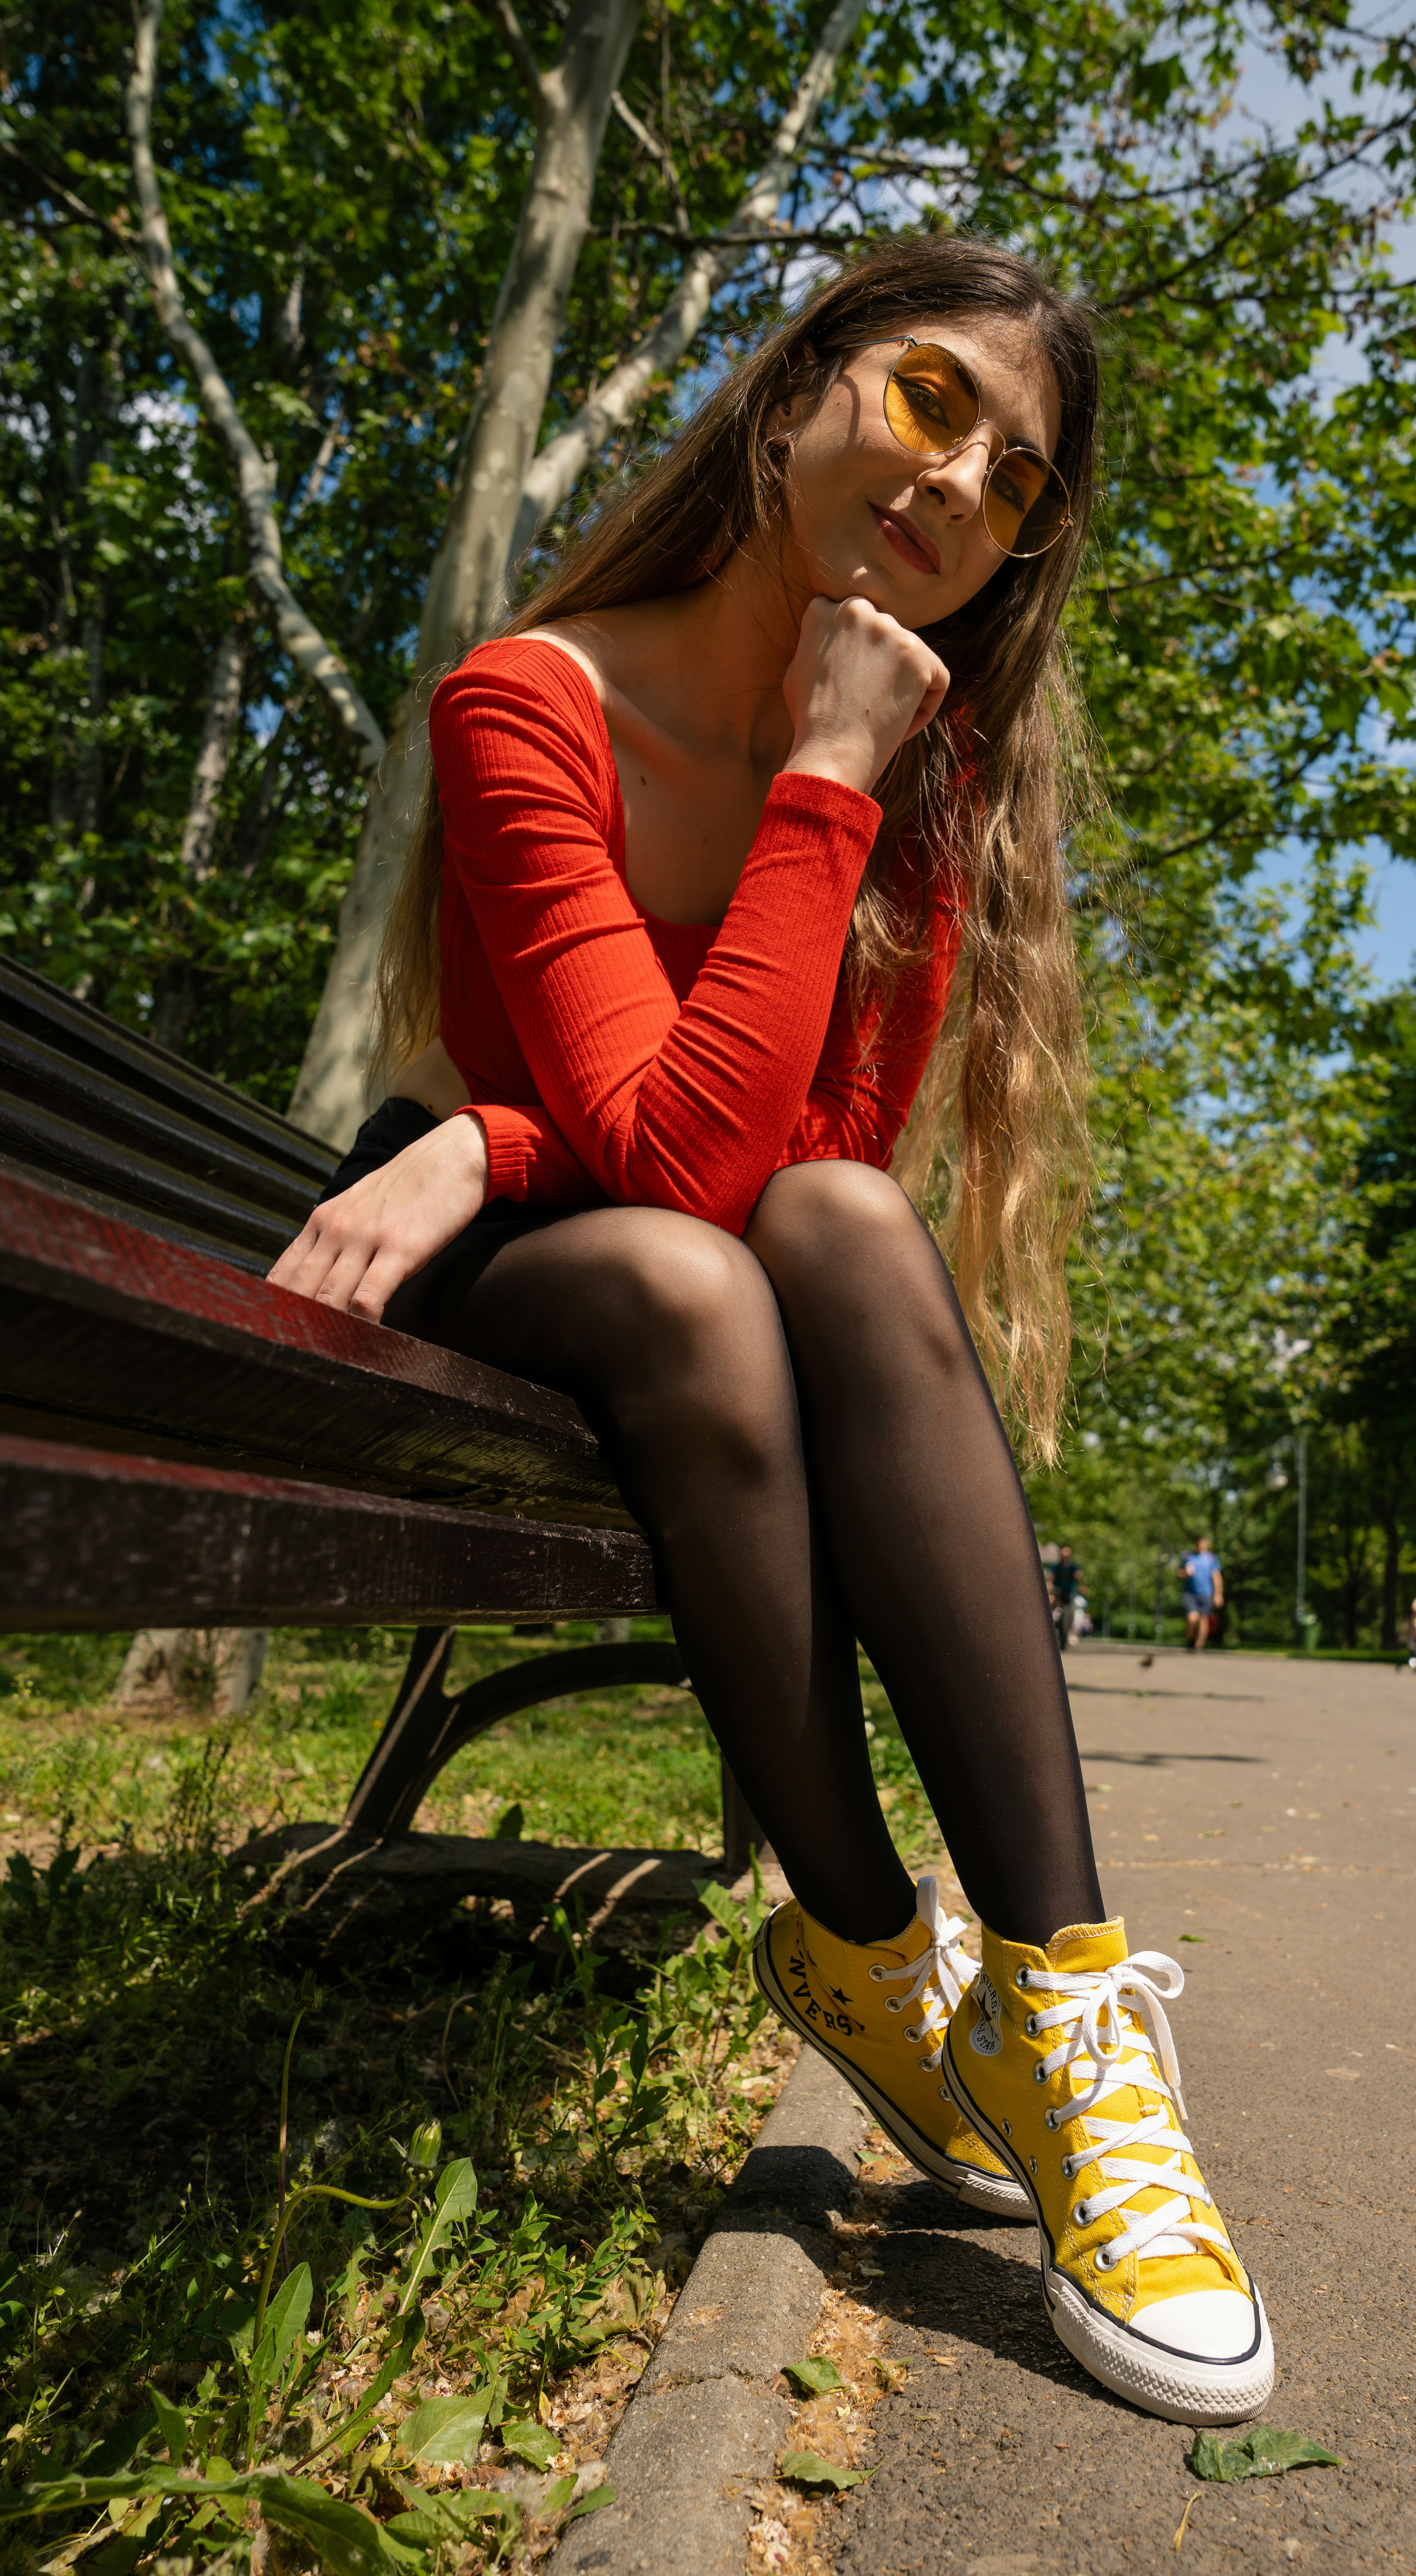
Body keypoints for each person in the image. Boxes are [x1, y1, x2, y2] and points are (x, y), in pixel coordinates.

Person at [268, 238, 1272, 2426]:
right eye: (929, 401)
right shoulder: (532, 695)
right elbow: (663, 1156)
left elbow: (802, 1159)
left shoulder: (930, 771)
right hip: (531, 1283)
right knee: (691, 1264)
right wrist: (813, 777)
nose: (959, 484)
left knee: (793, 1227)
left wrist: (495, 1129)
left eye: (1013, 478)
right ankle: (859, 1930)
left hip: (632, 1226)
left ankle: (1052, 2000)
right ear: (789, 393)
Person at [1181, 1537, 1223, 1652]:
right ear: (1196, 1544)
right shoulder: (1188, 1557)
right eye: (1199, 1543)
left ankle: (1199, 1646)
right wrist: (1186, 1573)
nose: (1201, 1545)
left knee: (1204, 1620)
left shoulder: (1212, 1558)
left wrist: (1218, 1594)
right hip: (1191, 1593)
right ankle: (1190, 1640)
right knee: (1192, 1618)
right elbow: (1180, 1573)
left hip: (1207, 1594)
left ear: (1207, 1544)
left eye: (1203, 1543)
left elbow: (1217, 1576)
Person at [1049, 1541, 1080, 1648]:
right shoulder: (1057, 1567)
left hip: (1070, 1592)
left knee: (1072, 1610)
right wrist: (1050, 1585)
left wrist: (1082, 1584)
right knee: (1053, 1602)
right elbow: (1052, 1578)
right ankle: (1051, 1621)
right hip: (1059, 1592)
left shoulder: (1073, 1568)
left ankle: (1070, 1627)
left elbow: (1079, 1577)